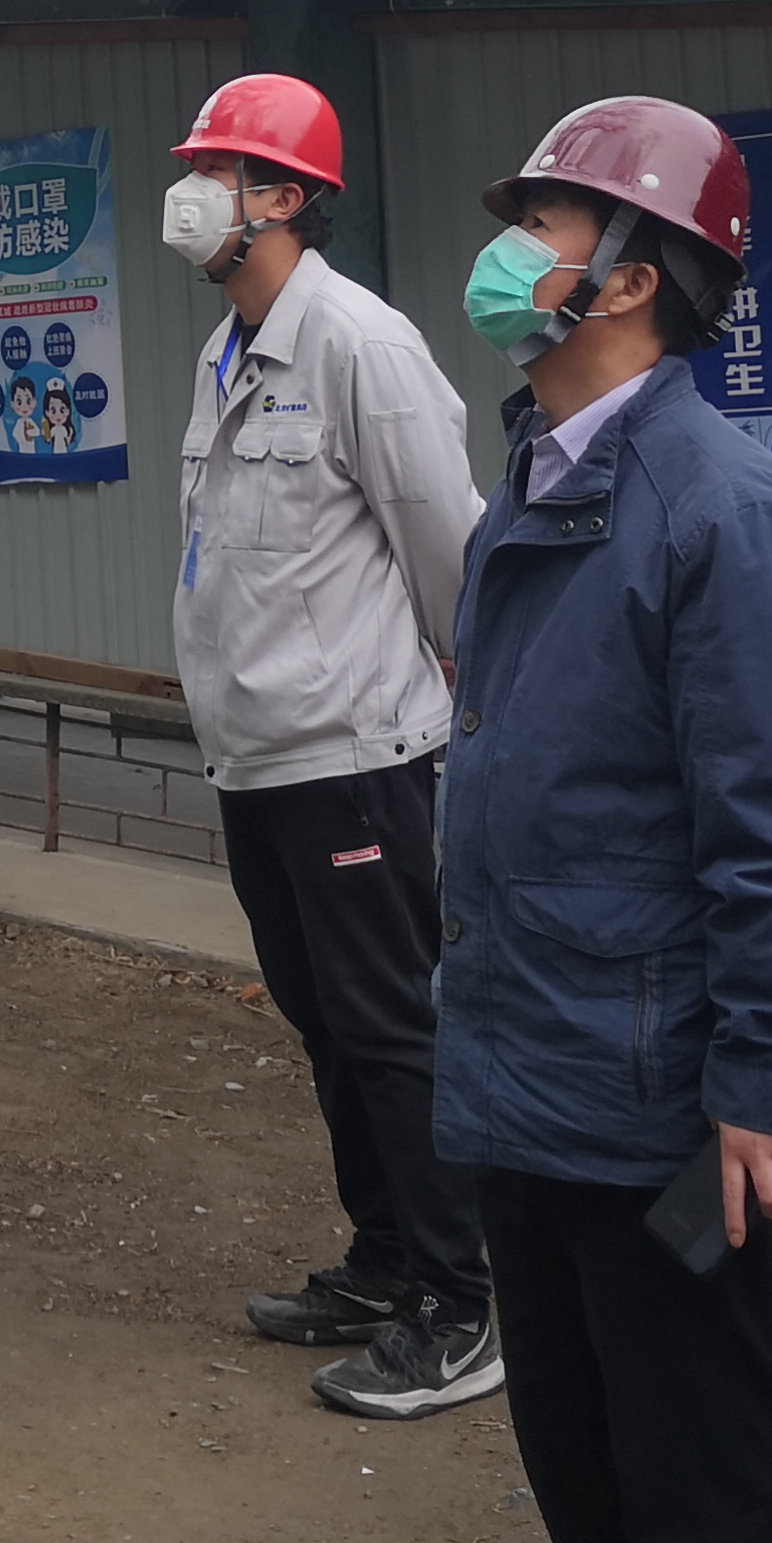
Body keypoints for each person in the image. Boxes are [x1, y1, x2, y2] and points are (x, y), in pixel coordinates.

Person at [435, 98, 772, 1543]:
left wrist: (768, 1071)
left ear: (627, 276)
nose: (506, 251)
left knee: (695, 1458)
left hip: (661, 1087)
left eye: (543, 220)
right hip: (529, 1044)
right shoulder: (540, 469)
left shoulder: (717, 508)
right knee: (582, 1440)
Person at [159, 73, 494, 1421]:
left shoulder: (360, 344)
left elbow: (450, 546)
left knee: (393, 1027)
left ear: (286, 196)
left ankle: (464, 1300)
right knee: (329, 1022)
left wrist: (464, 695)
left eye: (218, 172)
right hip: (257, 754)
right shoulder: (228, 350)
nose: (192, 195)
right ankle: (386, 1259)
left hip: (354, 754)